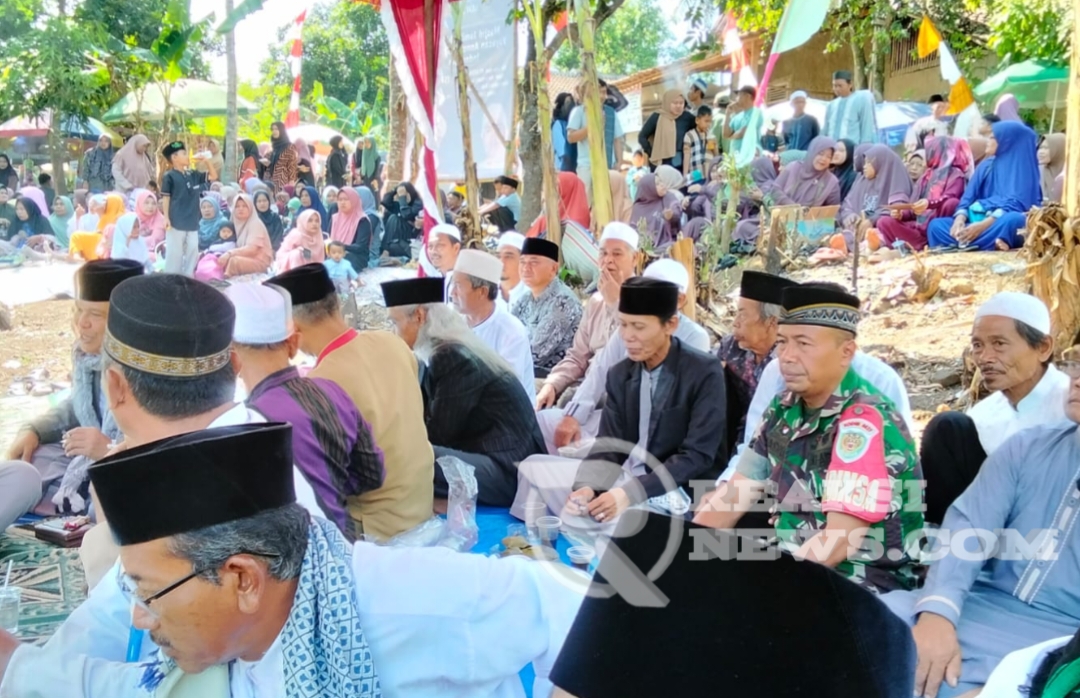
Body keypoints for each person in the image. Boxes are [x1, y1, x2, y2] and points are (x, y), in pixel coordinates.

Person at [0, 420, 582, 697]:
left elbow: (575, 605)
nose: (138, 617)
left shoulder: (401, 600)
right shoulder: (225, 647)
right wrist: (14, 664)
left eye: (147, 594)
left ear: (244, 580)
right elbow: (132, 690)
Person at [70, 272, 325, 587]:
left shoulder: (151, 491)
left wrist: (111, 505)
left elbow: (126, 611)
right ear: (235, 366)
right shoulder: (263, 440)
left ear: (114, 386)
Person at [696, 283, 924, 594]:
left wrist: (765, 593)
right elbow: (733, 496)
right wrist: (684, 559)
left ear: (846, 352)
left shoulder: (863, 422)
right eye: (782, 342)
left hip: (860, 583)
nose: (787, 357)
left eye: (803, 344)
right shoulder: (782, 409)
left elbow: (838, 541)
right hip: (796, 566)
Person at [881, 360, 1080, 698]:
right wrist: (938, 613)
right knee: (856, 627)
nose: (1077, 380)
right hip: (977, 604)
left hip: (1060, 639)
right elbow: (969, 527)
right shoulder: (1027, 447)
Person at [513, 276, 727, 526]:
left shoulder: (703, 372)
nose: (627, 336)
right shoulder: (621, 374)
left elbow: (696, 456)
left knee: (622, 523)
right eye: (623, 325)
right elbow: (610, 446)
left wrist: (630, 493)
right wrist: (588, 487)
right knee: (533, 469)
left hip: (672, 491)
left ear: (670, 325)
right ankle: (538, 543)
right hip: (623, 479)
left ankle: (591, 540)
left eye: (638, 327)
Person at [267, 264, 434, 539]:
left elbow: (329, 481)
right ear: (336, 304)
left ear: (292, 327)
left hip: (379, 532)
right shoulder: (392, 343)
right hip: (422, 507)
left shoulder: (320, 384)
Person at [226, 283, 383, 542]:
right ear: (293, 344)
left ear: (231, 358)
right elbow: (372, 475)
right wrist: (329, 485)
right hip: (348, 547)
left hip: (298, 560)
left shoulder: (246, 425)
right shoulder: (332, 391)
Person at [0, 260, 143, 530]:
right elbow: (77, 404)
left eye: (95, 314)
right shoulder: (87, 359)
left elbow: (164, 445)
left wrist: (110, 451)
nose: (81, 323)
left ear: (124, 322)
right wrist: (35, 430)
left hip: (128, 468)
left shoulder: (147, 372)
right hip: (83, 457)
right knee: (27, 468)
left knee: (108, 501)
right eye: (78, 310)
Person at [382, 277, 544, 506]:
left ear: (419, 316)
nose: (393, 332)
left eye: (395, 323)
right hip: (497, 458)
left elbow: (438, 434)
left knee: (406, 455)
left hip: (509, 472)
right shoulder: (447, 349)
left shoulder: (450, 356)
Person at [534, 259, 712, 456]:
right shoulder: (630, 327)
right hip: (609, 420)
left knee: (569, 456)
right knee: (542, 422)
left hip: (648, 439)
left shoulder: (695, 337)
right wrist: (573, 416)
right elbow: (600, 371)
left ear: (680, 300)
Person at [919, 292, 1067, 524]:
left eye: (999, 344)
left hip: (1058, 528)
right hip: (992, 531)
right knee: (946, 428)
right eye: (978, 345)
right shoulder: (982, 416)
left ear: (1043, 347)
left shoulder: (1070, 404)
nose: (984, 358)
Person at [536, 222, 639, 410]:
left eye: (617, 254)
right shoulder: (596, 301)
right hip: (585, 384)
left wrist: (616, 303)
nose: (608, 260)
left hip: (619, 394)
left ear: (635, 259)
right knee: (529, 390)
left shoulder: (647, 299)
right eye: (603, 253)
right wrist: (552, 384)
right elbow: (577, 357)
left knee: (564, 405)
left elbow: (638, 352)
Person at [927, 121, 1041, 251]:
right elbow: (967, 198)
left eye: (992, 137)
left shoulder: (1024, 169)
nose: (988, 141)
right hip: (978, 221)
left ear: (1007, 141)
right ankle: (988, 242)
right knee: (936, 226)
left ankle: (969, 243)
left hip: (997, 223)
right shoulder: (987, 165)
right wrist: (959, 220)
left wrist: (982, 226)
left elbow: (1017, 205)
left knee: (1015, 220)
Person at [716, 271, 797, 447]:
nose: (735, 322)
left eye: (743, 315)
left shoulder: (790, 359)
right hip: (731, 436)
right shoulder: (730, 347)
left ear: (771, 322)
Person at [450, 249, 536, 402]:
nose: (452, 293)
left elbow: (506, 389)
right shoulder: (453, 323)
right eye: (452, 285)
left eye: (459, 286)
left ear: (482, 292)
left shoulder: (511, 331)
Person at [732, 136, 841, 246]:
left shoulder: (832, 182)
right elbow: (775, 189)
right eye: (821, 154)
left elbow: (834, 210)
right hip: (779, 218)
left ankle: (780, 241)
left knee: (824, 230)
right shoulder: (794, 167)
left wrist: (814, 219)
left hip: (804, 226)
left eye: (829, 157)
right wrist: (792, 207)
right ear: (812, 152)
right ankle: (776, 240)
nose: (823, 159)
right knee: (742, 227)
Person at [878, 136, 970, 251]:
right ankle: (919, 245)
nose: (928, 155)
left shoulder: (956, 175)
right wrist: (901, 214)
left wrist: (929, 203)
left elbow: (950, 197)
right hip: (918, 228)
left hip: (936, 224)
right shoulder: (927, 175)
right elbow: (913, 206)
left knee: (951, 203)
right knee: (883, 221)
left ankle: (933, 240)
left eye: (931, 150)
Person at [511, 237, 584, 376]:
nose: (526, 268)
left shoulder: (563, 302)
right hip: (522, 369)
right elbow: (507, 332)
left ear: (553, 268)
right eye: (522, 262)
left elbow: (535, 354)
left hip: (551, 377)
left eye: (534, 262)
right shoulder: (525, 299)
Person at [837, 143, 913, 250]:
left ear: (880, 163)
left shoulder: (895, 179)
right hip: (860, 229)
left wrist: (872, 220)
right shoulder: (862, 180)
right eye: (864, 162)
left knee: (880, 230)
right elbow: (848, 204)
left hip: (882, 230)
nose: (864, 166)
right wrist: (850, 216)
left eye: (868, 163)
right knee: (843, 236)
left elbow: (898, 209)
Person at [160, 141, 214, 277]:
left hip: (192, 219)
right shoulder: (169, 176)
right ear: (174, 158)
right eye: (184, 154)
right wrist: (166, 217)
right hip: (176, 219)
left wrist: (207, 161)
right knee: (175, 253)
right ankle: (171, 279)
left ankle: (188, 278)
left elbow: (213, 176)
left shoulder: (192, 174)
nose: (187, 156)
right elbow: (166, 197)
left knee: (193, 250)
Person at [567, 79, 625, 203]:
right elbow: (571, 137)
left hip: (607, 165)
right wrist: (592, 126)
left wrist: (619, 161)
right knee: (586, 203)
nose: (604, 96)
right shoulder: (579, 111)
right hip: (586, 166)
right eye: (600, 92)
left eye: (605, 92)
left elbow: (617, 139)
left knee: (606, 202)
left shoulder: (610, 113)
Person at [640, 88, 697, 171]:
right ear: (668, 102)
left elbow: (699, 129)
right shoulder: (657, 116)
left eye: (681, 103)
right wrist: (651, 152)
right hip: (661, 162)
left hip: (681, 163)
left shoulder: (687, 117)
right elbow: (642, 137)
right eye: (675, 103)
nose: (678, 106)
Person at [220, 193, 273, 278]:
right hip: (244, 258)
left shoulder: (255, 223)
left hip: (259, 262)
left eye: (244, 206)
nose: (240, 209)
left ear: (250, 208)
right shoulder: (233, 224)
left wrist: (229, 253)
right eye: (237, 206)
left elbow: (252, 249)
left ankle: (225, 282)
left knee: (234, 261)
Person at [526, 171, 590, 238]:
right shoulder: (588, 228)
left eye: (554, 192)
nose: (543, 198)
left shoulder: (546, 223)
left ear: (564, 194)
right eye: (543, 190)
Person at [824, 70, 878, 145]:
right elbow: (825, 130)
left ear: (850, 84)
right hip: (832, 149)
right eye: (834, 86)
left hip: (852, 149)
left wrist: (864, 148)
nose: (837, 89)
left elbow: (866, 128)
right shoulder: (831, 105)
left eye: (840, 86)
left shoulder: (861, 100)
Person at [630, 173, 682, 247]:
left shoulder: (667, 197)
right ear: (649, 188)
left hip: (667, 243)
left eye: (661, 181)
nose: (662, 185)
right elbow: (634, 231)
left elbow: (677, 210)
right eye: (657, 184)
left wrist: (671, 215)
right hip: (646, 248)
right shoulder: (638, 207)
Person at [380, 182, 422, 263]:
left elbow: (406, 215)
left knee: (394, 218)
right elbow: (385, 202)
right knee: (391, 216)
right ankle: (386, 250)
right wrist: (395, 190)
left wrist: (402, 198)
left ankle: (386, 250)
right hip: (400, 232)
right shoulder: (400, 203)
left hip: (413, 233)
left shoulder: (418, 203)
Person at [261, 121, 298, 190]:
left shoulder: (289, 147)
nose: (274, 131)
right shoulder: (272, 147)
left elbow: (292, 166)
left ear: (281, 130)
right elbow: (267, 161)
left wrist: (291, 184)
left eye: (276, 129)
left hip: (282, 182)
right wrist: (266, 163)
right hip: (268, 181)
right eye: (272, 129)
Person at [724, 85, 760, 155]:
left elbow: (743, 132)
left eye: (739, 95)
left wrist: (730, 137)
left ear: (747, 96)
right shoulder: (737, 116)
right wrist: (727, 114)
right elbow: (725, 134)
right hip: (734, 157)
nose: (736, 98)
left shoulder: (756, 114)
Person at [496, 230, 526, 308]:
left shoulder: (534, 295)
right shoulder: (485, 294)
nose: (501, 262)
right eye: (498, 256)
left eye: (508, 257)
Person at [683, 105, 714, 177]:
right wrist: (685, 175)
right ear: (697, 120)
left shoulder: (711, 135)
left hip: (709, 172)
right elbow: (686, 155)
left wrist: (714, 144)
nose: (708, 124)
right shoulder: (689, 135)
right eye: (706, 121)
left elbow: (715, 154)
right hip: (695, 171)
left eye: (710, 122)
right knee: (696, 184)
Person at [1038, 133, 1066, 206]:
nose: (1041, 152)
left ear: (1059, 149)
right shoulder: (1038, 172)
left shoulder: (1071, 176)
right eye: (1040, 148)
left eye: (1046, 148)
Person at [552, 92, 576, 173]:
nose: (571, 105)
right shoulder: (558, 124)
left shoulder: (573, 124)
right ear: (561, 106)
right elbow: (562, 152)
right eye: (568, 102)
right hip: (562, 168)